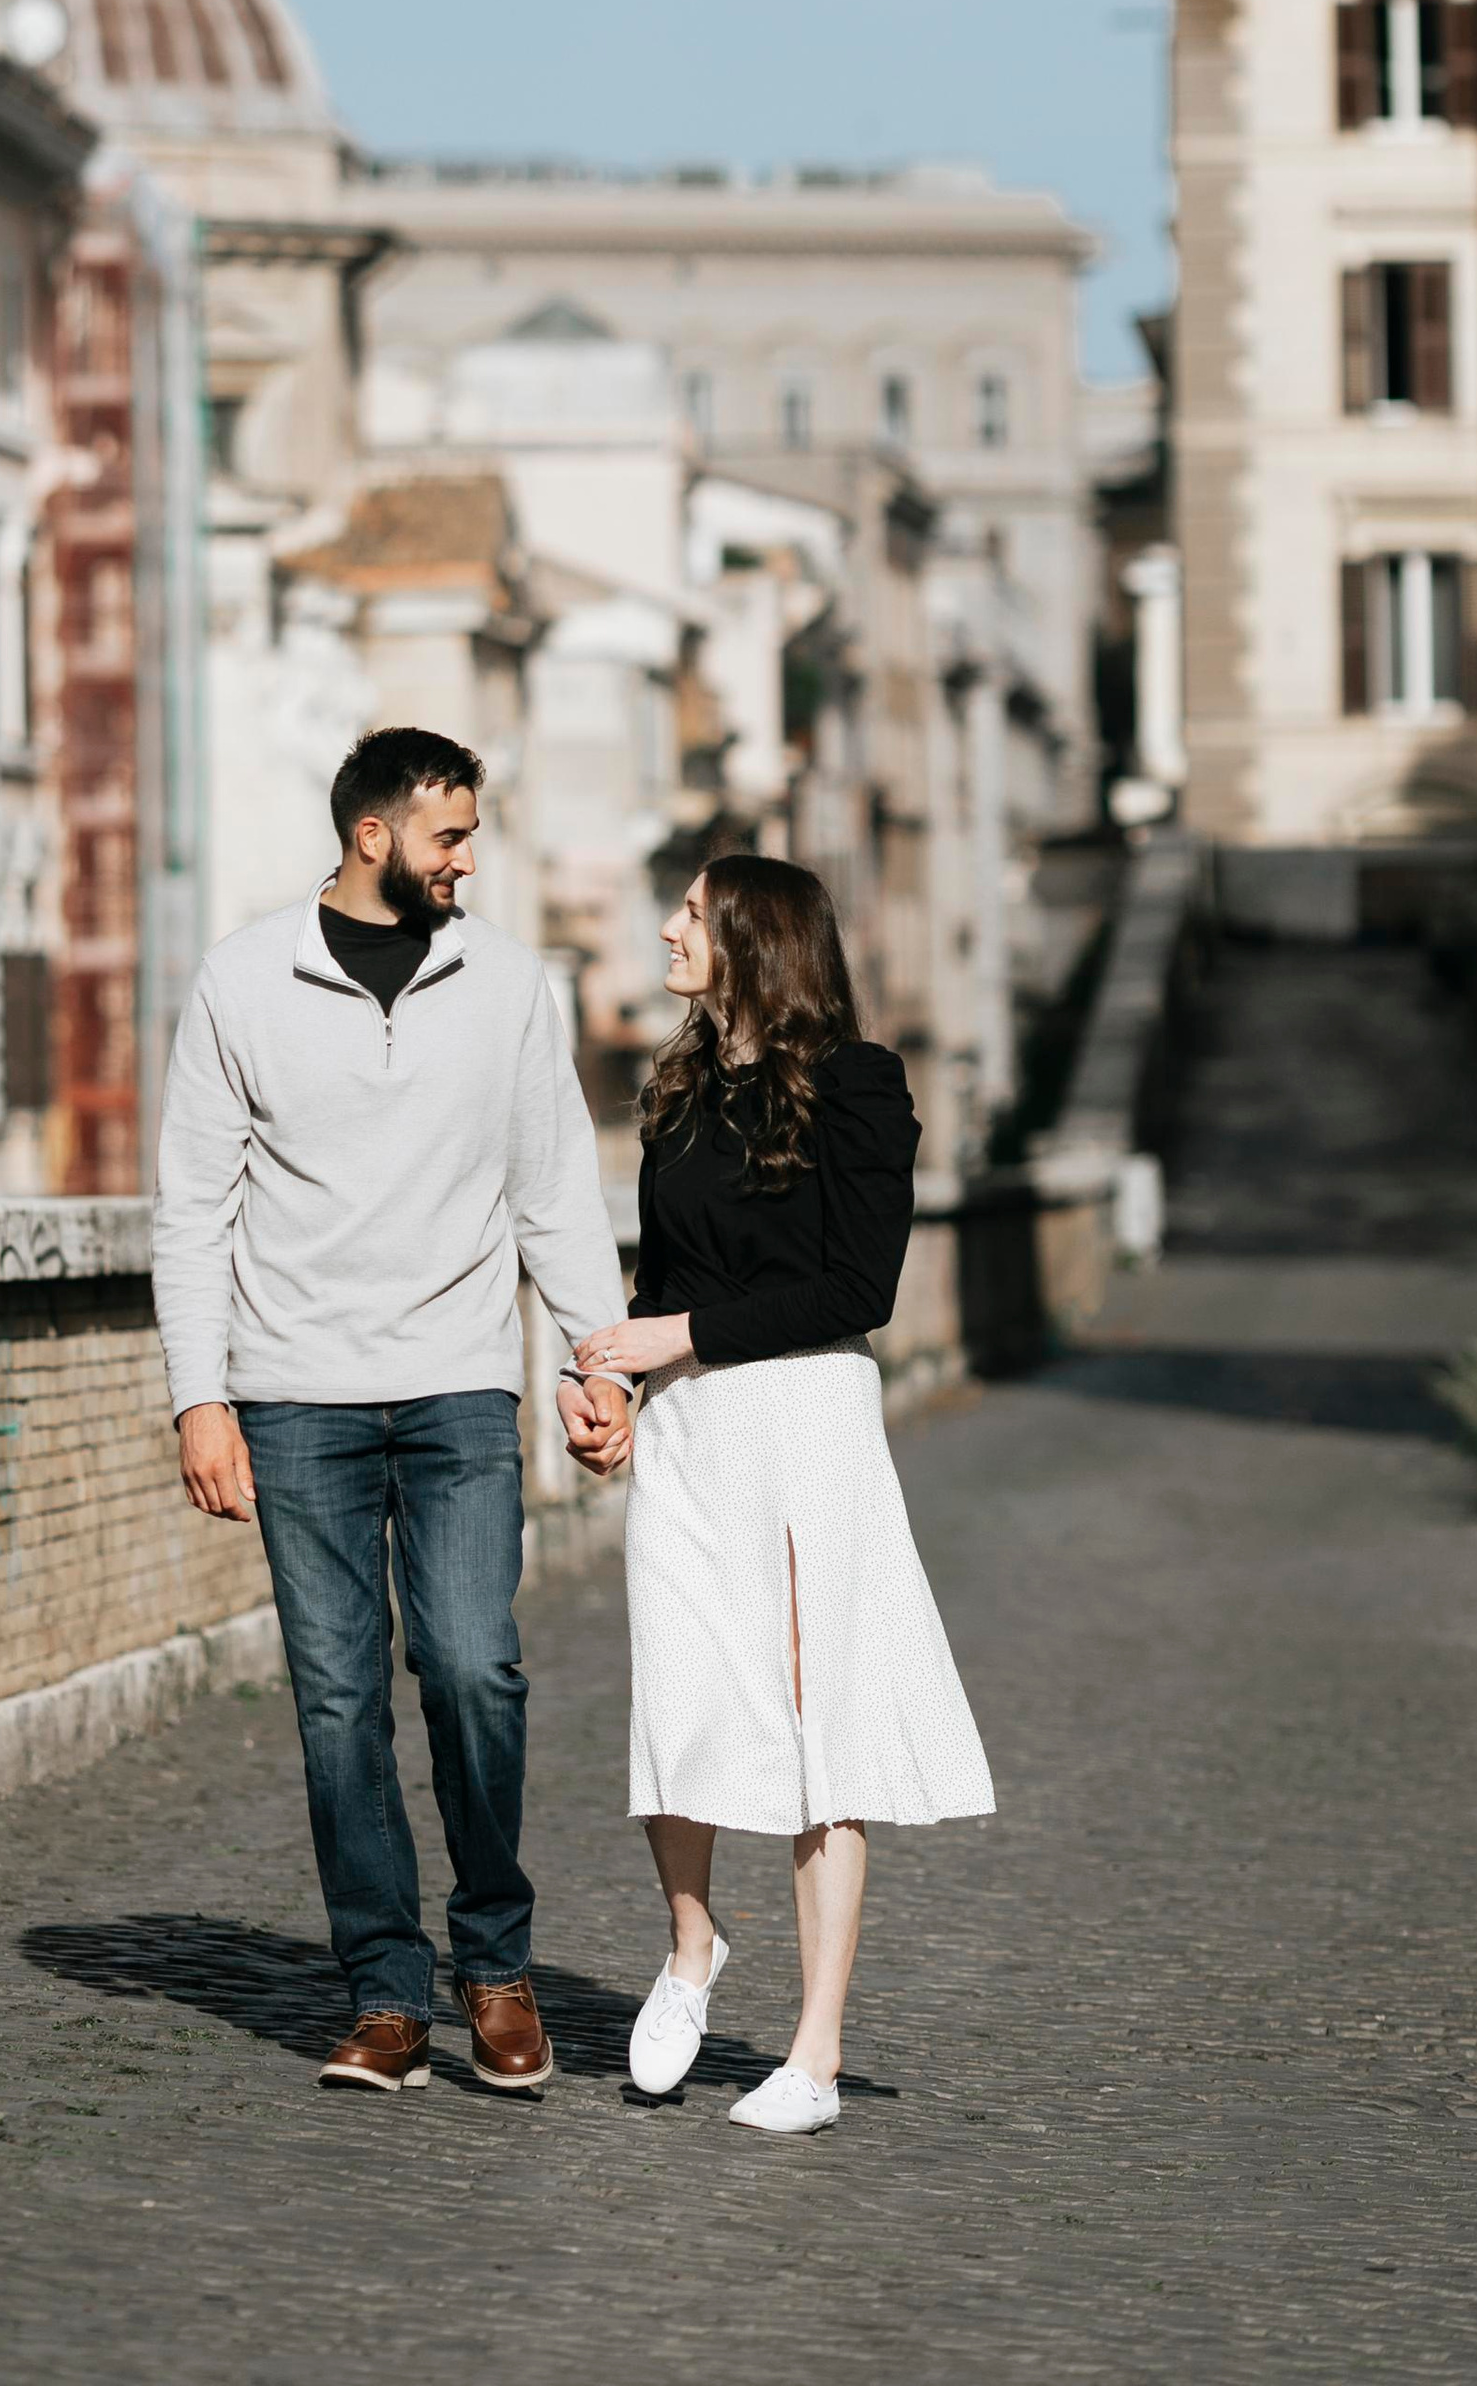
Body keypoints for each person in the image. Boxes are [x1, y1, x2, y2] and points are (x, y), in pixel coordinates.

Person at [154, 726, 633, 2099]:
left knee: (476, 1667)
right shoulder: (245, 979)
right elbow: (194, 1212)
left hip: (460, 1384)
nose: (466, 859)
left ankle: (495, 1962)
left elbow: (554, 1190)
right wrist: (201, 1397)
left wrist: (596, 1367)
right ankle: (383, 1992)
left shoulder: (507, 985)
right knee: (338, 1702)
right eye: (449, 838)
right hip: (296, 1394)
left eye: (471, 836)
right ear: (375, 836)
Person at [574, 855, 992, 2135]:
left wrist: (673, 1336)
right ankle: (692, 1947)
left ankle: (812, 2053)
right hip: (693, 1432)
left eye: (694, 915)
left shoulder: (858, 1087)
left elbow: (855, 1289)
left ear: (760, 940)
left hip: (806, 1426)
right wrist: (612, 1391)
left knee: (822, 1732)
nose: (668, 929)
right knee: (680, 1700)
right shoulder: (679, 1088)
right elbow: (658, 1291)